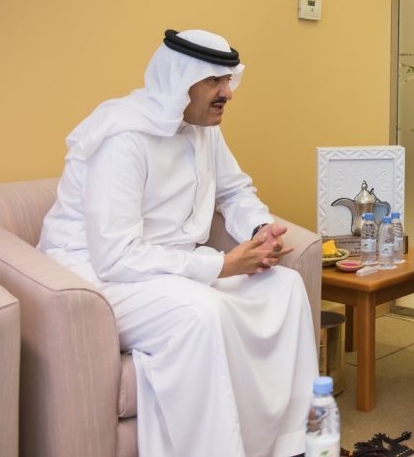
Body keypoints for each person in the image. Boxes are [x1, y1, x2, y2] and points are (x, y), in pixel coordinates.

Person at [37, 29, 317, 457]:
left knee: (284, 287)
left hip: (171, 265)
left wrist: (260, 229)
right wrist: (221, 265)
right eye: (214, 81)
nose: (228, 93)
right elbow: (115, 256)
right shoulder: (122, 136)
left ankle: (291, 445)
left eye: (229, 80)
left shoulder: (203, 128)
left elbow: (234, 192)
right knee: (201, 313)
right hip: (98, 275)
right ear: (179, 82)